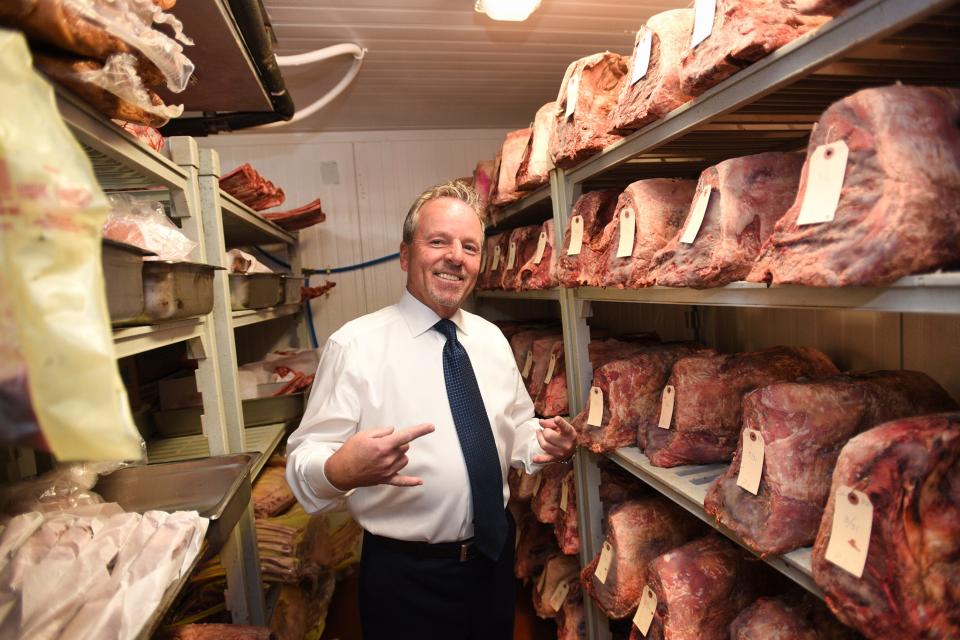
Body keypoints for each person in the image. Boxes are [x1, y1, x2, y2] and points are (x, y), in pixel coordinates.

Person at [285, 179, 577, 640]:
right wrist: (342, 469)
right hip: (406, 576)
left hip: (493, 560)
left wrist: (541, 442)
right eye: (437, 241)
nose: (455, 257)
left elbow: (517, 425)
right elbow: (303, 462)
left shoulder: (490, 339)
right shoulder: (355, 346)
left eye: (469, 247)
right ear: (405, 255)